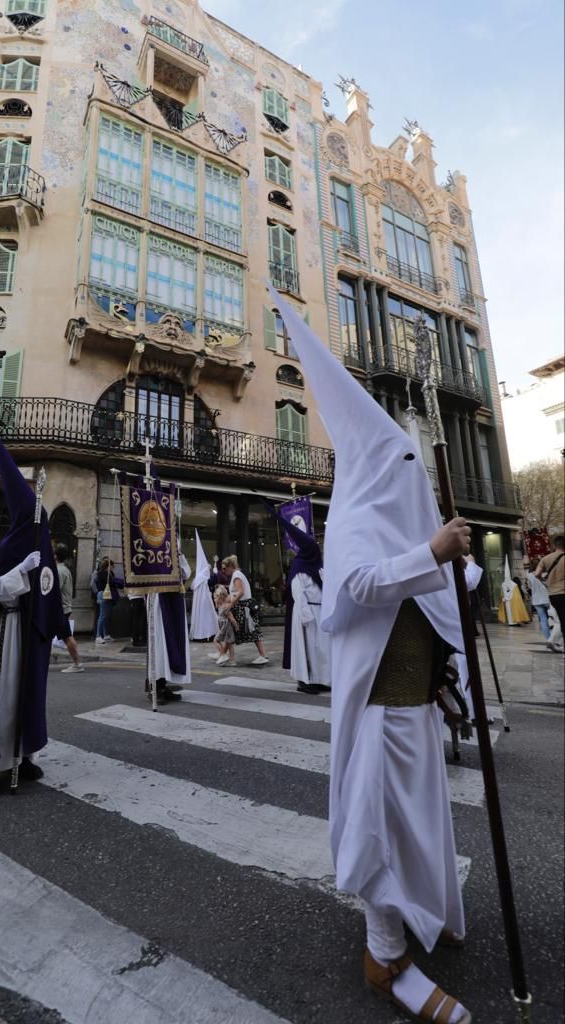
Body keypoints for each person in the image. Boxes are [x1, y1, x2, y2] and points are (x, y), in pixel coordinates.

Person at [269, 288, 472, 1024]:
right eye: (401, 460)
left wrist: (454, 561)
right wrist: (429, 551)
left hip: (415, 706)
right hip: (381, 708)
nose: (409, 472)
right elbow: (354, 584)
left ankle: (427, 914)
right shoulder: (354, 513)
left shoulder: (394, 512)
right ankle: (385, 957)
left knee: (422, 825)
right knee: (381, 829)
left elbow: (433, 587)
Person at [0, 417, 68, 796]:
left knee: (30, 695)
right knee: (6, 695)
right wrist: (20, 572)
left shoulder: (40, 542)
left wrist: (59, 622)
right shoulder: (13, 545)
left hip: (34, 634)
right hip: (11, 629)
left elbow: (48, 590)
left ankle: (24, 755)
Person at [272, 511, 330, 696]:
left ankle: (321, 679)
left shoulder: (317, 566)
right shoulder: (299, 566)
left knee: (321, 648)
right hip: (307, 611)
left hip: (320, 610)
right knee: (308, 647)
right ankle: (306, 681)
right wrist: (306, 615)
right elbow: (298, 592)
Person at [146, 549, 191, 705]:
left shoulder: (176, 552)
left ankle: (162, 684)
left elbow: (186, 573)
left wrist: (178, 556)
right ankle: (154, 686)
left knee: (171, 644)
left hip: (174, 598)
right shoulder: (149, 552)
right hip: (158, 598)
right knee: (159, 644)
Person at [220, 555, 269, 665]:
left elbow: (240, 591)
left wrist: (231, 604)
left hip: (243, 607)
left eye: (224, 568)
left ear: (231, 566)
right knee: (246, 630)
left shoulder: (236, 575)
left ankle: (222, 654)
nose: (223, 571)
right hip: (244, 606)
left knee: (233, 630)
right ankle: (222, 654)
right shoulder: (237, 575)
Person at [54, 544, 84, 673]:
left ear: (55, 556)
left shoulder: (59, 571)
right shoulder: (63, 569)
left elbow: (54, 590)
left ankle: (77, 664)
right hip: (62, 608)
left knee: (67, 637)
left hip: (60, 609)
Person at [534, 535, 565, 647]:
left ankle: (553, 640)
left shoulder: (545, 558)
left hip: (553, 595)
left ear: (554, 545)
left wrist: (544, 579)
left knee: (561, 619)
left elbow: (537, 574)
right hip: (563, 592)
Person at [189, 530, 218, 641]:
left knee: (203, 617)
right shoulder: (203, 578)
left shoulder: (199, 578)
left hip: (202, 602)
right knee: (208, 617)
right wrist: (215, 574)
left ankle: (201, 634)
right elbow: (212, 581)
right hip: (205, 602)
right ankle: (207, 634)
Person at [497, 557, 530, 626]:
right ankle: (511, 621)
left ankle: (514, 621)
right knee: (510, 611)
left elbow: (513, 594)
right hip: (508, 600)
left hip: (511, 600)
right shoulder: (506, 584)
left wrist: (505, 597)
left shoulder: (512, 584)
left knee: (512, 611)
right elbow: (503, 592)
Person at [527, 562, 553, 642]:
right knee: (554, 618)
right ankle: (555, 637)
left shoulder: (529, 575)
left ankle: (549, 639)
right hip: (547, 598)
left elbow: (529, 587)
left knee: (543, 620)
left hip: (536, 600)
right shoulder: (545, 573)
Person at [213, 584, 237, 666]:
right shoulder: (220, 605)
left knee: (216, 640)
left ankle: (222, 655)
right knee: (229, 644)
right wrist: (216, 602)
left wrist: (236, 626)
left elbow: (231, 618)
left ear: (220, 598)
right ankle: (232, 661)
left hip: (226, 627)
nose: (214, 600)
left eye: (215, 598)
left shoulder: (225, 607)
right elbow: (216, 606)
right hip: (224, 627)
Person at [94, 556, 110, 644]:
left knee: (103, 615)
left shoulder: (100, 573)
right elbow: (110, 582)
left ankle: (102, 635)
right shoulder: (104, 574)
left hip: (101, 593)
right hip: (103, 594)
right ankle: (98, 636)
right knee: (102, 616)